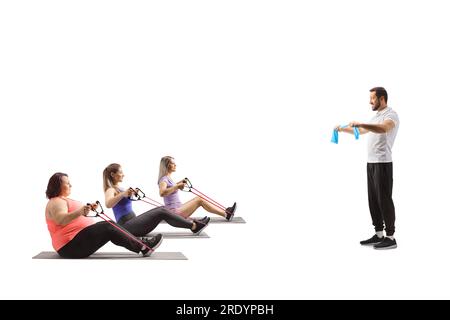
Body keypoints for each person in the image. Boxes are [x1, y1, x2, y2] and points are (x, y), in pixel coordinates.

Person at [335, 87, 399, 250]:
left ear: (382, 99)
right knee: (373, 200)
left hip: (383, 163)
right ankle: (378, 234)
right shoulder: (376, 117)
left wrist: (362, 123)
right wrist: (342, 129)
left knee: (384, 199)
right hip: (371, 163)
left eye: (373, 98)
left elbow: (384, 128)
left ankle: (390, 237)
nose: (370, 101)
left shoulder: (390, 115)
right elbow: (362, 130)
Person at [45, 172, 162, 258]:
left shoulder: (63, 200)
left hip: (76, 242)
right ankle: (143, 246)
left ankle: (141, 243)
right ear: (57, 185)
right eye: (67, 183)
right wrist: (80, 211)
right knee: (108, 226)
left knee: (109, 226)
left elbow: (74, 217)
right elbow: (61, 220)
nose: (70, 185)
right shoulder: (56, 201)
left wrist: (87, 209)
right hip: (69, 247)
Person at [103, 163, 209, 236]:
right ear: (113, 174)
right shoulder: (110, 190)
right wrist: (123, 194)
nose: (123, 174)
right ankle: (194, 226)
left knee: (162, 209)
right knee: (161, 210)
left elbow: (121, 200)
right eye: (120, 172)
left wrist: (129, 193)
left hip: (133, 223)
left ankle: (192, 223)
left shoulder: (119, 188)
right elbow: (108, 204)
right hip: (126, 226)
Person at [158, 156, 237, 221]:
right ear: (167, 165)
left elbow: (171, 189)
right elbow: (162, 193)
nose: (175, 165)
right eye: (173, 163)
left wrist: (179, 183)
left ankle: (226, 212)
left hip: (178, 208)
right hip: (174, 213)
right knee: (199, 200)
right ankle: (226, 214)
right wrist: (177, 186)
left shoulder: (168, 178)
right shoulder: (163, 179)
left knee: (198, 198)